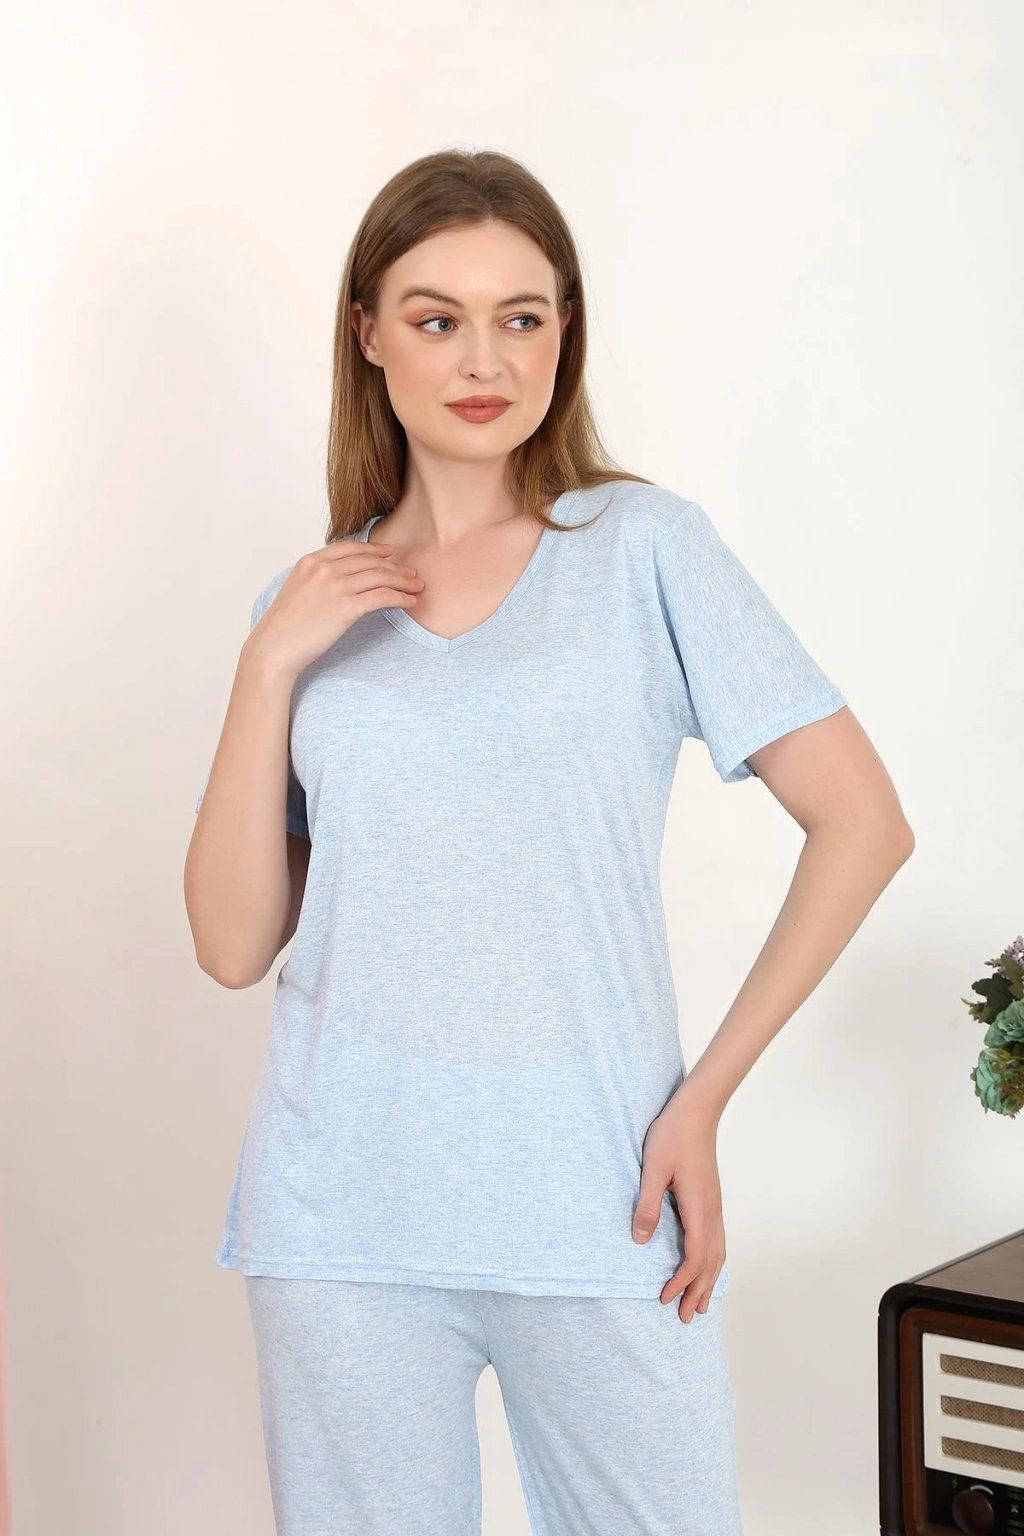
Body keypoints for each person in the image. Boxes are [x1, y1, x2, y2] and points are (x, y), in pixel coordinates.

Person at [185, 148, 914, 1535]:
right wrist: (267, 663)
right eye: (437, 317)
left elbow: (862, 822)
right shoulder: (308, 601)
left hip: (600, 1198)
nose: (484, 359)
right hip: (342, 1214)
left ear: (564, 333)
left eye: (521, 316)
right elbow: (231, 945)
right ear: (369, 335)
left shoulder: (643, 548)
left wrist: (699, 1102)